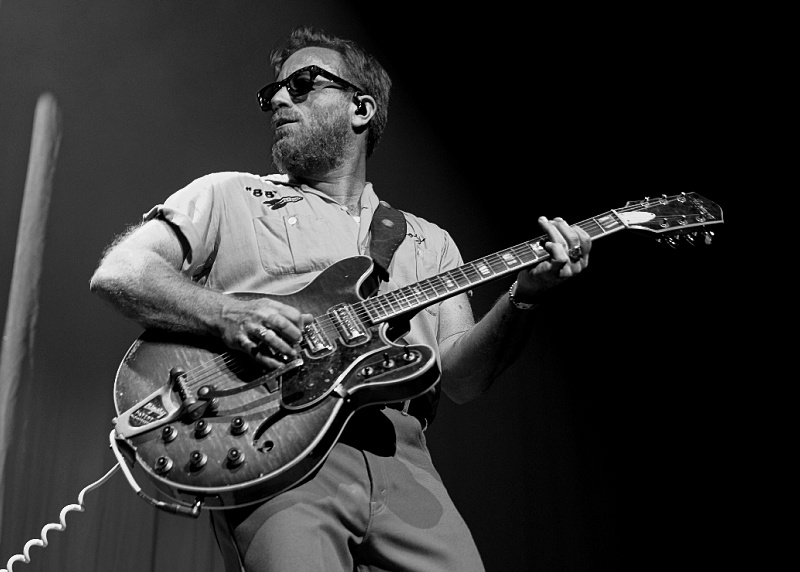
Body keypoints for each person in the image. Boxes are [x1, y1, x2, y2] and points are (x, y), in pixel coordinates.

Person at [90, 25, 592, 572]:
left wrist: (524, 297)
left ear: (361, 108)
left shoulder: (430, 241)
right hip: (279, 447)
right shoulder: (229, 194)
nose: (279, 100)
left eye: (302, 85)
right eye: (272, 92)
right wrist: (228, 314)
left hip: (406, 464)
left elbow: (462, 378)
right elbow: (122, 271)